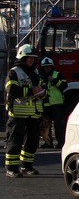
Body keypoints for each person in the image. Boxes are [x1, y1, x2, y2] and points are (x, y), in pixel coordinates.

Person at [5, 44, 46, 178]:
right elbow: (12, 90)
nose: (31, 60)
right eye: (28, 57)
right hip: (18, 113)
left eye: (33, 58)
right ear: (22, 57)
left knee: (32, 141)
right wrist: (30, 91)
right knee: (15, 141)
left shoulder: (35, 72)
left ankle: (27, 166)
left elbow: (42, 89)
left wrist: (42, 93)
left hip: (34, 112)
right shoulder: (14, 72)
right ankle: (11, 168)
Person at [39, 57, 68, 148]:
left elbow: (64, 85)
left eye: (49, 67)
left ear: (52, 67)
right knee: (46, 125)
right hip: (45, 104)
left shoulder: (57, 75)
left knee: (58, 125)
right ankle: (48, 143)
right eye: (45, 67)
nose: (47, 68)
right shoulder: (41, 77)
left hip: (56, 104)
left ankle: (61, 143)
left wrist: (54, 81)